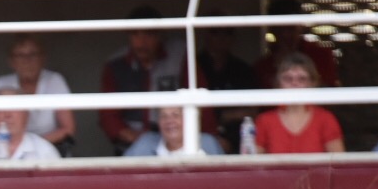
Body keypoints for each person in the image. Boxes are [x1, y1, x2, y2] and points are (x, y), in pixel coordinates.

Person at [98, 6, 188, 154]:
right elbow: (108, 116)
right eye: (135, 34)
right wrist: (131, 136)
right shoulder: (115, 64)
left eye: (149, 34)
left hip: (178, 138)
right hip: (132, 141)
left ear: (160, 35)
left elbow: (200, 101)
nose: (141, 42)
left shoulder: (180, 55)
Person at [0, 35, 75, 153]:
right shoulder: (1, 83)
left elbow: (68, 128)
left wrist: (32, 146)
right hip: (6, 146)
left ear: (43, 58)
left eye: (33, 54)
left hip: (48, 146)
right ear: (11, 62)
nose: (27, 61)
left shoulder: (54, 81)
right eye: (20, 55)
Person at [253, 53, 344, 154]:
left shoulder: (326, 119)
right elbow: (253, 165)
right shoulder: (264, 121)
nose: (294, 83)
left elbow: (338, 165)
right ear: (278, 84)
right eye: (288, 79)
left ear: (312, 84)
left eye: (302, 79)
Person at [253, 0, 340, 90]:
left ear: (301, 26)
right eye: (280, 29)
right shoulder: (262, 67)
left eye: (291, 29)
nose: (285, 35)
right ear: (271, 29)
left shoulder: (321, 55)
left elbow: (330, 93)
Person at [196, 19, 257, 149]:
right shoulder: (194, 66)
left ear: (233, 37)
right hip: (201, 136)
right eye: (215, 32)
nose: (221, 37)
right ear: (205, 34)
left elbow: (252, 111)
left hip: (238, 138)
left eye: (227, 32)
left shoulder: (242, 69)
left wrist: (224, 116)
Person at [0, 88, 59, 161]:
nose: (7, 115)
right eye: (1, 108)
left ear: (26, 115)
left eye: (14, 107)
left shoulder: (45, 151)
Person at [124, 105, 225, 156]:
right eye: (163, 116)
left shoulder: (207, 143)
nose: (169, 121)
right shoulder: (145, 143)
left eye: (175, 115)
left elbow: (223, 181)